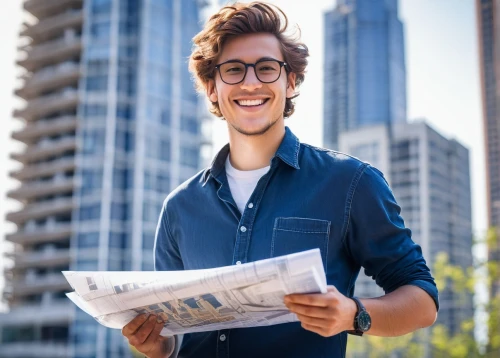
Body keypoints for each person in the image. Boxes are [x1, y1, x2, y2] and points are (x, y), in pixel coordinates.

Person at [122, 2, 439, 357]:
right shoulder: (179, 207)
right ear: (212, 87)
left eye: (266, 68)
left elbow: (422, 300)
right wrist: (156, 345)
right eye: (234, 70)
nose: (251, 82)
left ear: (290, 82)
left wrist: (354, 314)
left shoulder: (351, 183)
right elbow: (172, 337)